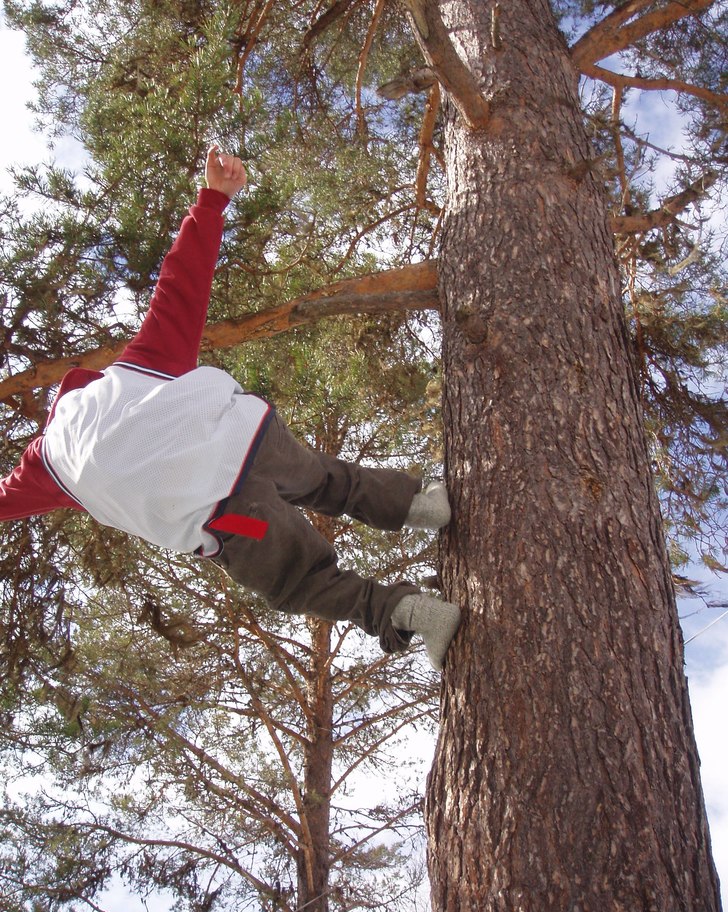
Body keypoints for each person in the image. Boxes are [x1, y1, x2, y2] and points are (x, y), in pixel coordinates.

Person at [0, 148, 461, 670]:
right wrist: (212, 200)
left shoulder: (44, 471)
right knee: (323, 482)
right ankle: (421, 504)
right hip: (255, 442)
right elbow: (179, 290)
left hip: (234, 517)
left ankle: (416, 614)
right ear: (80, 385)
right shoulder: (129, 373)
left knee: (299, 579)